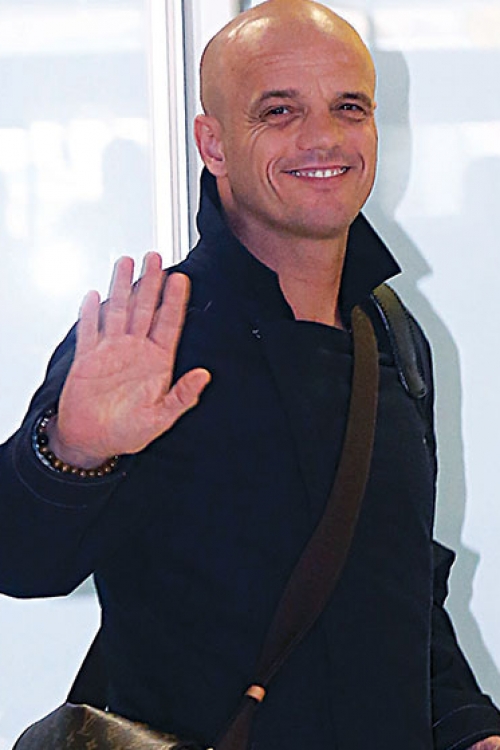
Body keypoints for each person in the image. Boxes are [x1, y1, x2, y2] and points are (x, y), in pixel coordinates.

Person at [1, 1, 500, 748]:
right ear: (213, 143)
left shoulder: (392, 334)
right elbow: (22, 561)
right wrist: (72, 452)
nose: (323, 137)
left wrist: (466, 727)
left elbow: (403, 591)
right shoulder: (153, 334)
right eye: (279, 111)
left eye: (349, 107)